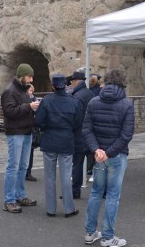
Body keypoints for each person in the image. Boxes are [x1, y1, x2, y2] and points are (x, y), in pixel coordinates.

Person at [83, 69, 135, 247]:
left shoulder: (93, 102)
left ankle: (90, 233)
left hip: (99, 156)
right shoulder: (127, 104)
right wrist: (108, 152)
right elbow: (126, 135)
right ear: (122, 83)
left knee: (96, 192)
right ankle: (107, 237)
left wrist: (97, 150)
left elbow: (87, 129)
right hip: (116, 155)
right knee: (113, 195)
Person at [35, 74, 83, 218]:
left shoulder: (46, 101)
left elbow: (38, 121)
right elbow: (78, 122)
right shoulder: (74, 101)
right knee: (66, 176)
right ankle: (69, 208)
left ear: (53, 86)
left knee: (49, 177)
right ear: (65, 85)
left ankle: (51, 209)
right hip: (66, 140)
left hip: (49, 140)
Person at [1, 63, 40, 213]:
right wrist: (29, 107)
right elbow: (9, 112)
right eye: (29, 76)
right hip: (15, 132)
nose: (31, 79)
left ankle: (20, 195)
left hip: (26, 131)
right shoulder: (9, 91)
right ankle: (9, 200)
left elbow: (22, 109)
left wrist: (32, 108)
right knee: (13, 166)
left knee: (23, 166)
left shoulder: (23, 90)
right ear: (22, 75)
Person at [69, 70, 95, 199]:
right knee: (98, 163)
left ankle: (75, 191)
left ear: (75, 81)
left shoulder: (77, 96)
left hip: (79, 134)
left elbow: (76, 117)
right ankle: (102, 191)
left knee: (77, 164)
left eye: (71, 82)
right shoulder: (90, 94)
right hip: (92, 134)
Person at [25, 84, 38, 182]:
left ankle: (28, 172)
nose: (31, 92)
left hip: (32, 129)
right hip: (25, 128)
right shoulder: (24, 100)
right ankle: (24, 171)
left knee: (30, 152)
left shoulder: (35, 100)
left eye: (32, 90)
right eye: (29, 90)